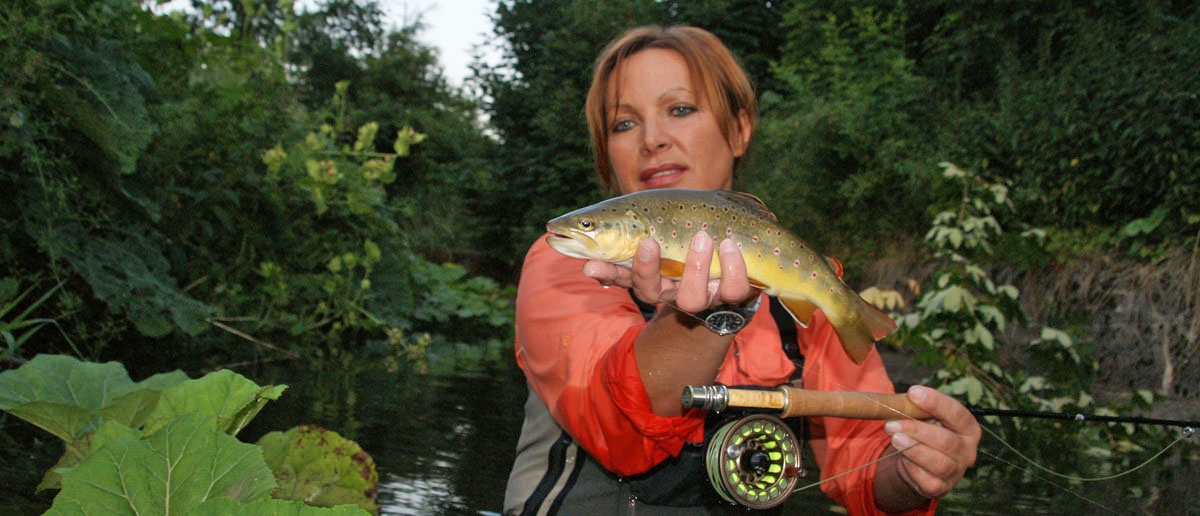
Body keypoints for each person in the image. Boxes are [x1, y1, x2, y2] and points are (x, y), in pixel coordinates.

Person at [504, 25, 980, 516]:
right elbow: (619, 435)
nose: (652, 139)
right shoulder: (566, 263)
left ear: (739, 129)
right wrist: (711, 318)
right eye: (623, 124)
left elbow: (863, 465)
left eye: (680, 109)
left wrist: (913, 472)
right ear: (606, 152)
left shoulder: (797, 282)